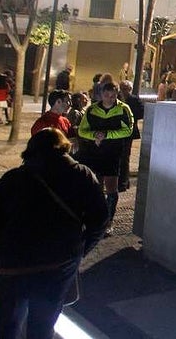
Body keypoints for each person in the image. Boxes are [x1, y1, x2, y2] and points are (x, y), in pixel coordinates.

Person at [0, 128, 108, 339]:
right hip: (55, 267)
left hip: (9, 268)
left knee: (7, 327)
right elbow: (99, 220)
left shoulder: (13, 178)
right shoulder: (82, 175)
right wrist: (78, 252)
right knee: (41, 329)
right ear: (64, 148)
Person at [76, 78, 134, 235]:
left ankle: (108, 222)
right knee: (95, 186)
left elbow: (128, 130)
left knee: (111, 189)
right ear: (101, 94)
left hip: (112, 154)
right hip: (93, 153)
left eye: (112, 95)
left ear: (116, 94)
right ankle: (92, 219)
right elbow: (82, 130)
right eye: (106, 94)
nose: (109, 98)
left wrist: (106, 135)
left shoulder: (124, 109)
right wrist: (94, 135)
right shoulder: (92, 110)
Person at [118, 80, 144, 190]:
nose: (123, 90)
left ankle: (123, 183)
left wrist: (130, 116)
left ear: (130, 89)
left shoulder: (134, 100)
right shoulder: (117, 98)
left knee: (125, 157)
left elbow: (141, 112)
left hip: (128, 131)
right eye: (122, 88)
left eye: (125, 88)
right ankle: (122, 181)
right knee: (119, 157)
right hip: (118, 131)